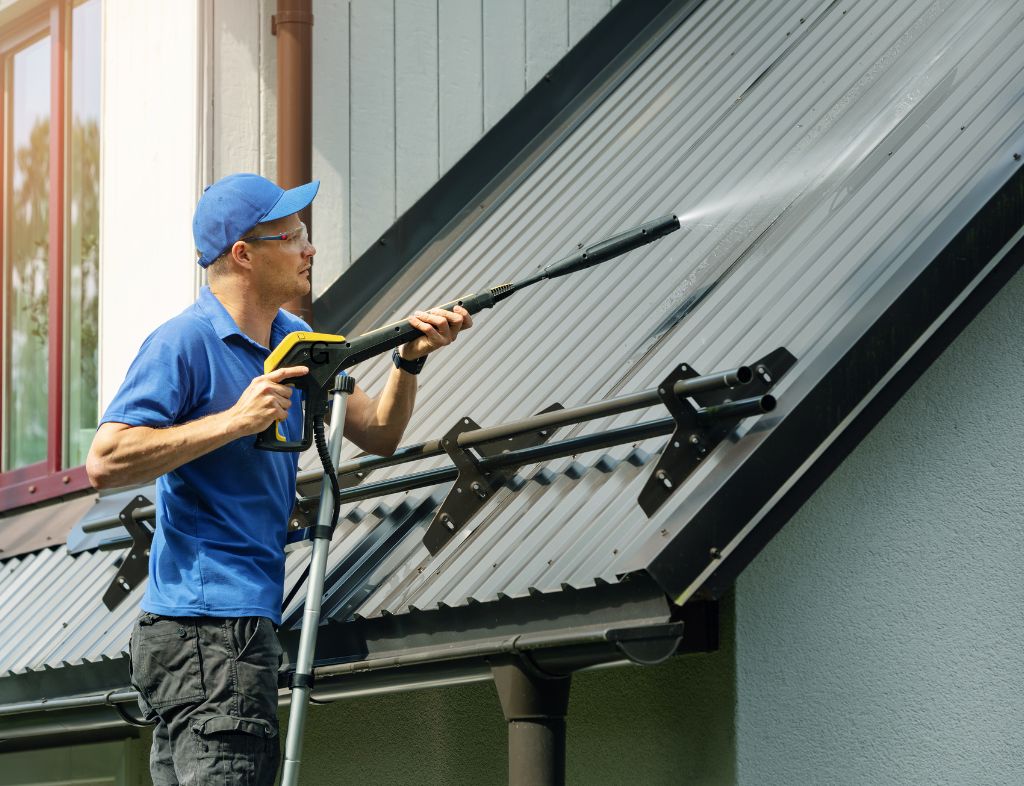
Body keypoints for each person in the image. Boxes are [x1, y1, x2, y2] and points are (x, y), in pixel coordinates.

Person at [86, 173, 472, 785]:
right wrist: (235, 421)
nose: (309, 249)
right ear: (244, 254)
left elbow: (377, 432)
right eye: (293, 237)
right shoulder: (183, 342)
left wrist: (408, 360)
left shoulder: (295, 341)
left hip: (224, 630)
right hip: (207, 632)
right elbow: (106, 460)